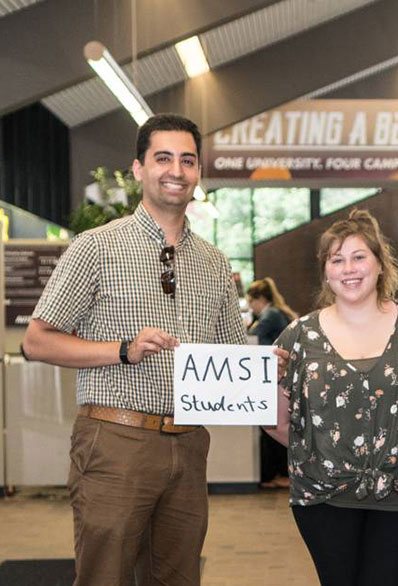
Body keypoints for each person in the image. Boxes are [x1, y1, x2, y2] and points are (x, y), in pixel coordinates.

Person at [21, 114, 250, 585]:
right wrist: (123, 349)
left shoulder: (213, 261)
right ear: (139, 169)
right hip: (114, 442)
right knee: (105, 576)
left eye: (188, 160)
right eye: (163, 158)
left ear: (198, 172)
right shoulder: (97, 247)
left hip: (189, 446)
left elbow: (231, 355)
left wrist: (266, 368)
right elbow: (37, 340)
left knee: (178, 577)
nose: (177, 170)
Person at [267, 209, 398, 586]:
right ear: (326, 271)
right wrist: (321, 453)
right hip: (324, 498)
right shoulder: (299, 336)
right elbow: (275, 419)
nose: (349, 268)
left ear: (380, 264)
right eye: (337, 259)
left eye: (359, 256)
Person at [247, 277, 297, 489]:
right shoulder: (279, 312)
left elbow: (250, 337)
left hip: (275, 378)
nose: (250, 305)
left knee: (273, 425)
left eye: (251, 300)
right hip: (281, 376)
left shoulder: (270, 315)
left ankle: (279, 473)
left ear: (259, 298)